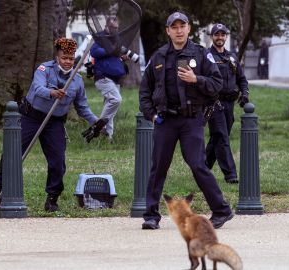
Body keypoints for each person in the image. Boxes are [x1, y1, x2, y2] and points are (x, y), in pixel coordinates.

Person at [139, 12, 234, 230]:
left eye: (183, 26)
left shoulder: (201, 54)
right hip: (165, 120)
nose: (179, 30)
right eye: (175, 27)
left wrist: (196, 79)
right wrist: (151, 114)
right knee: (158, 167)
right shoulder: (159, 57)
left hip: (191, 120)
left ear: (189, 29)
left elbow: (216, 84)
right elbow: (145, 90)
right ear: (168, 31)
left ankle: (221, 210)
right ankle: (151, 216)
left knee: (198, 164)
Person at [0, 38, 100, 212]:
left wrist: (97, 122)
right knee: (12, 154)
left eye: (71, 58)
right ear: (57, 57)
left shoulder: (77, 81)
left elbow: (83, 107)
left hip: (55, 122)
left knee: (58, 161)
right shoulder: (44, 69)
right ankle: (2, 192)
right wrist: (52, 93)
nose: (68, 62)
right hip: (30, 117)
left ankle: (52, 199)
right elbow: (37, 88)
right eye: (64, 57)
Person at [205, 23, 250, 184]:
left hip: (229, 103)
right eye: (217, 34)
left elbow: (242, 79)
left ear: (226, 37)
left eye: (223, 34)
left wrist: (245, 93)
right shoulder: (207, 57)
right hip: (214, 103)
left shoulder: (232, 57)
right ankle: (231, 174)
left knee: (217, 137)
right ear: (212, 36)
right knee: (222, 137)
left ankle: (203, 167)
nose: (220, 37)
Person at [90, 16, 128, 140]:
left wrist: (122, 57)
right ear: (107, 25)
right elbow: (94, 52)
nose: (114, 29)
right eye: (112, 27)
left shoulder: (116, 38)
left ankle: (108, 137)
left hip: (115, 77)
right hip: (103, 76)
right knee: (116, 100)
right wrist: (111, 51)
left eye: (116, 28)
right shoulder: (100, 37)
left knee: (111, 106)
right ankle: (98, 126)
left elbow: (114, 57)